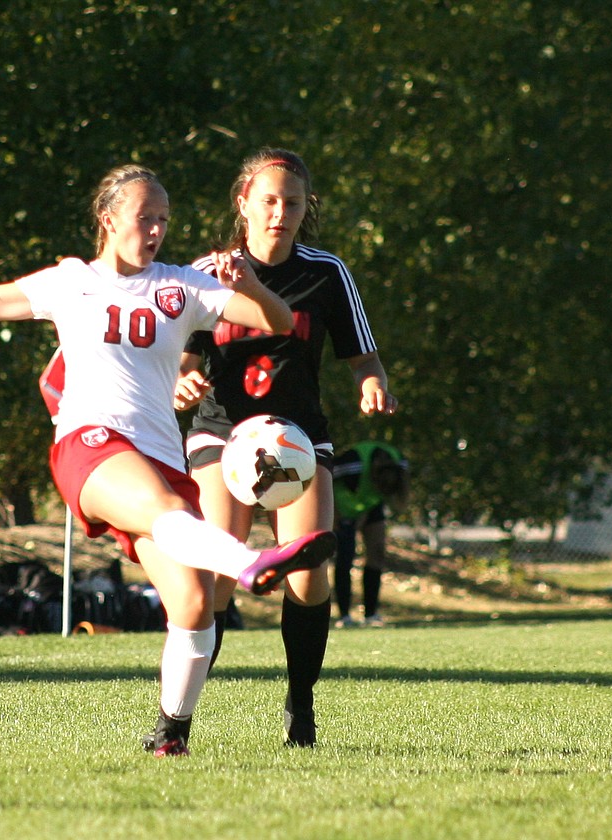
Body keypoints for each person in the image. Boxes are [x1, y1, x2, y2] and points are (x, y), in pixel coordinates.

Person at [0, 164, 336, 758]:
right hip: (91, 446)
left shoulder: (182, 285)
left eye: (164, 219)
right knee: (169, 512)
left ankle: (171, 733)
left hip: (159, 460)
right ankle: (249, 563)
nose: (158, 229)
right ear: (108, 219)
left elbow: (278, 322)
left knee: (192, 605)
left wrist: (247, 283)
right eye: (145, 217)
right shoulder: (70, 281)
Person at [174, 148, 397, 747]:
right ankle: (178, 721)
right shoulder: (205, 272)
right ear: (243, 203)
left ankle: (301, 706)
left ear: (307, 208)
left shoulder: (327, 273)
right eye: (268, 201)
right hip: (221, 433)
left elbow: (363, 357)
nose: (280, 212)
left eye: (292, 202)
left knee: (309, 576)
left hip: (298, 436)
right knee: (218, 578)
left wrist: (372, 382)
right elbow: (179, 360)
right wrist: (181, 379)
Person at [331, 441, 409, 628]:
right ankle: (344, 616)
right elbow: (324, 481)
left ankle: (371, 614)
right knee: (345, 557)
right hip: (342, 508)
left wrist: (366, 513)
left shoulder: (400, 463)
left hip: (371, 505)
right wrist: (334, 516)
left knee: (377, 552)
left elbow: (401, 500)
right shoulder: (352, 465)